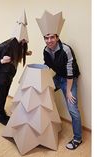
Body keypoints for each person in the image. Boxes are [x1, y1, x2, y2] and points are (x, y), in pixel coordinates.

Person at [36, 11, 82, 150]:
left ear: (57, 37)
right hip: (58, 77)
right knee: (41, 93)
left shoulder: (66, 49)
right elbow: (47, 65)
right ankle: (44, 127)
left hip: (69, 79)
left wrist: (68, 91)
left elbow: (70, 72)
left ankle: (78, 138)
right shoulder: (46, 50)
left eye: (51, 37)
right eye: (46, 38)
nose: (49, 40)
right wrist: (40, 78)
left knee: (73, 109)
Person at [0, 37, 32, 125]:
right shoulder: (4, 46)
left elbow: (16, 54)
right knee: (2, 96)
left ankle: (2, 112)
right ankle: (0, 116)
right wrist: (2, 61)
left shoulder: (21, 44)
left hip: (10, 75)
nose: (24, 42)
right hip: (1, 77)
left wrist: (25, 53)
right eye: (23, 40)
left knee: (4, 95)